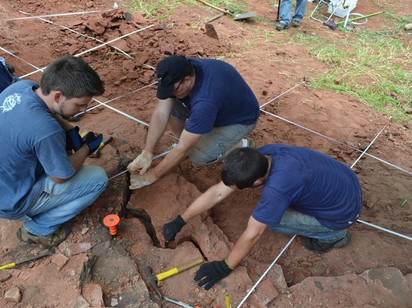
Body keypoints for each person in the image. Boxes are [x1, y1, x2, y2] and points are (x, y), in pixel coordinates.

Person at [162, 144, 362, 290]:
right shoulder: (265, 155)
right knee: (272, 208)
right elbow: (218, 192)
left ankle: (334, 235)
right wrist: (181, 219)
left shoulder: (277, 189)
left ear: (257, 181)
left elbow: (253, 234)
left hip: (341, 214)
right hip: (345, 180)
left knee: (273, 220)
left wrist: (224, 267)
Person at [0, 56, 108, 247]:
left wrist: (69, 130)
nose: (84, 110)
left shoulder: (22, 87)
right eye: (80, 104)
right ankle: (38, 229)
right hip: (11, 201)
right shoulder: (45, 130)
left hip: (6, 180)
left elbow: (47, 114)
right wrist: (84, 149)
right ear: (58, 96)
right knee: (98, 179)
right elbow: (61, 176)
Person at [127, 55, 260, 190]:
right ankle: (184, 138)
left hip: (238, 120)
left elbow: (184, 149)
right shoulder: (182, 68)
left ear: (187, 80)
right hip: (217, 107)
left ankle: (241, 144)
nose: (170, 93)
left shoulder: (205, 101)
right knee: (174, 104)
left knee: (198, 157)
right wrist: (147, 152)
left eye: (173, 90)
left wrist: (151, 176)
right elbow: (161, 112)